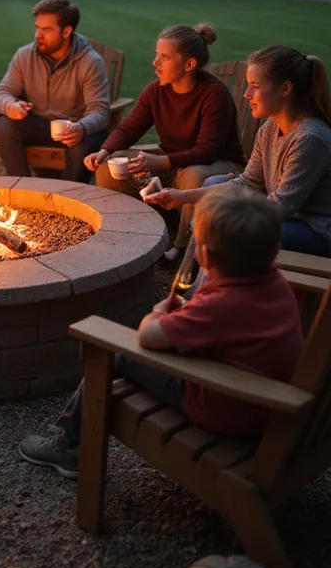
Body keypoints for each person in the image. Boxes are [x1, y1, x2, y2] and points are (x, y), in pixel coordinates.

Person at [18, 189, 304, 477]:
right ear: (275, 251)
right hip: (269, 406)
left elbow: (148, 337)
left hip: (229, 409)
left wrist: (159, 311)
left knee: (115, 355)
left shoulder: (217, 307)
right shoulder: (276, 282)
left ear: (204, 255)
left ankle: (68, 445)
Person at [148, 46, 331, 257]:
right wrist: (182, 197)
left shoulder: (310, 138)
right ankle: (192, 282)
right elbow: (249, 183)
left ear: (285, 89)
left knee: (223, 229)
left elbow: (281, 207)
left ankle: (201, 285)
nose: (246, 94)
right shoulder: (269, 129)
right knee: (213, 198)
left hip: (314, 229)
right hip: (285, 217)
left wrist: (224, 211)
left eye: (255, 86)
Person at [84, 22, 244, 263]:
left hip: (219, 166)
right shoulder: (156, 91)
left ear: (189, 64)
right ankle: (126, 231)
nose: (155, 63)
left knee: (193, 175)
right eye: (156, 55)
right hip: (173, 162)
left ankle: (181, 248)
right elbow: (129, 128)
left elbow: (207, 150)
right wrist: (105, 151)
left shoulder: (214, 95)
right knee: (109, 168)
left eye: (164, 58)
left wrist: (159, 162)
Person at [0, 0, 110, 183]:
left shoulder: (90, 62)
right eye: (37, 27)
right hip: (40, 125)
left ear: (67, 31)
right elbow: (2, 93)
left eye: (46, 30)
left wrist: (81, 127)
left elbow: (100, 111)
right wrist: (11, 106)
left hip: (75, 129)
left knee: (84, 144)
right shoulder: (24, 56)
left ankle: (71, 198)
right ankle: (25, 188)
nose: (37, 35)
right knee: (5, 125)